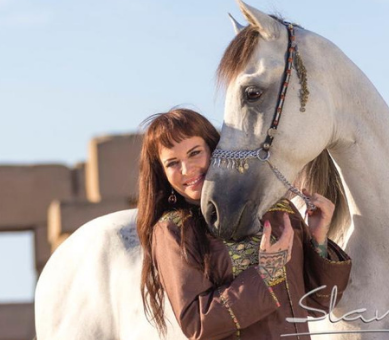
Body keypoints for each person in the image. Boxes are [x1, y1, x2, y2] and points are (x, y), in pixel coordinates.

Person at [136, 108, 352, 340]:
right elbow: (197, 323)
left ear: (213, 149)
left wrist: (318, 238)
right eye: (172, 163)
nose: (187, 170)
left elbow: (317, 303)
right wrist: (266, 274)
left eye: (195, 153)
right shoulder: (173, 230)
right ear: (162, 172)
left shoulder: (275, 210)